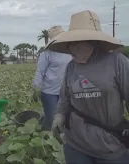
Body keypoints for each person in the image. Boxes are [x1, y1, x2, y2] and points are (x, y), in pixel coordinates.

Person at [49, 10, 129, 163]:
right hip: (76, 146)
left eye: (77, 43)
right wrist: (59, 115)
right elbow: (65, 99)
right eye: (70, 44)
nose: (72, 49)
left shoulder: (117, 62)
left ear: (92, 41)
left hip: (110, 146)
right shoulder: (71, 67)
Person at [33, 26, 72, 130]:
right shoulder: (47, 53)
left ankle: (57, 139)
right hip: (49, 92)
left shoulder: (69, 52)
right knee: (51, 118)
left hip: (65, 91)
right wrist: (36, 87)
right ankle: (44, 136)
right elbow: (40, 71)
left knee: (63, 118)